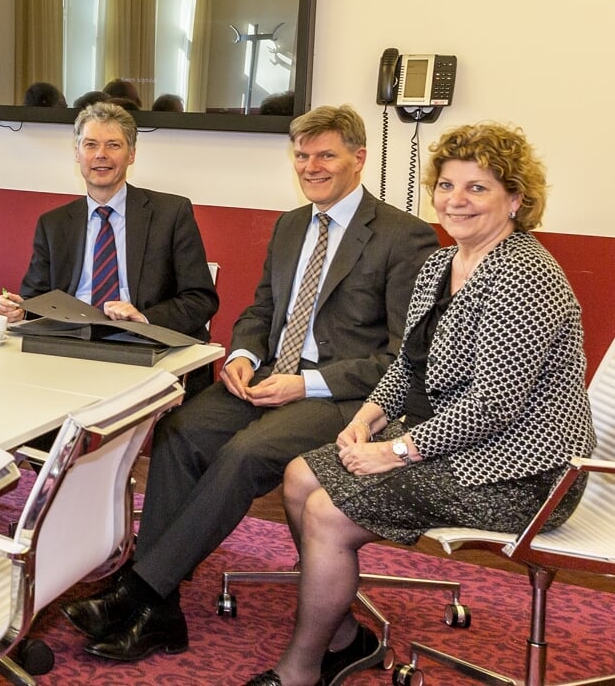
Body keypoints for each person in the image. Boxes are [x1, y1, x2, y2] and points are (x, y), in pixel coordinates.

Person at [65, 106, 437, 663]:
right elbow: (262, 310)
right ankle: (161, 613)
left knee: (244, 454)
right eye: (303, 156)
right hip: (264, 377)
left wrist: (304, 385)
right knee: (181, 430)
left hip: (343, 396)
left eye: (326, 155)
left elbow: (403, 356)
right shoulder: (290, 225)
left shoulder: (403, 237)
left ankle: (141, 591)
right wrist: (241, 353)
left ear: (359, 160)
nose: (311, 167)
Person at [246, 122, 595, 686]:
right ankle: (341, 636)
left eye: (477, 188)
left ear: (516, 200)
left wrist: (396, 451)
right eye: (447, 185)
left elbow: (493, 405)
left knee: (328, 514)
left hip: (525, 470)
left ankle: (300, 670)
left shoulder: (525, 275)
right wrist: (366, 419)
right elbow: (408, 365)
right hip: (456, 442)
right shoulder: (441, 265)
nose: (456, 200)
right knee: (300, 477)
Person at [0, 102, 218, 385]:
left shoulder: (170, 214)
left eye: (113, 145)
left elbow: (201, 299)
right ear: (77, 154)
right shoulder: (54, 223)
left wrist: (144, 318)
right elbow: (35, 300)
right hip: (70, 347)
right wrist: (19, 309)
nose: (101, 155)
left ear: (132, 155)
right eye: (90, 145)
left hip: (143, 346)